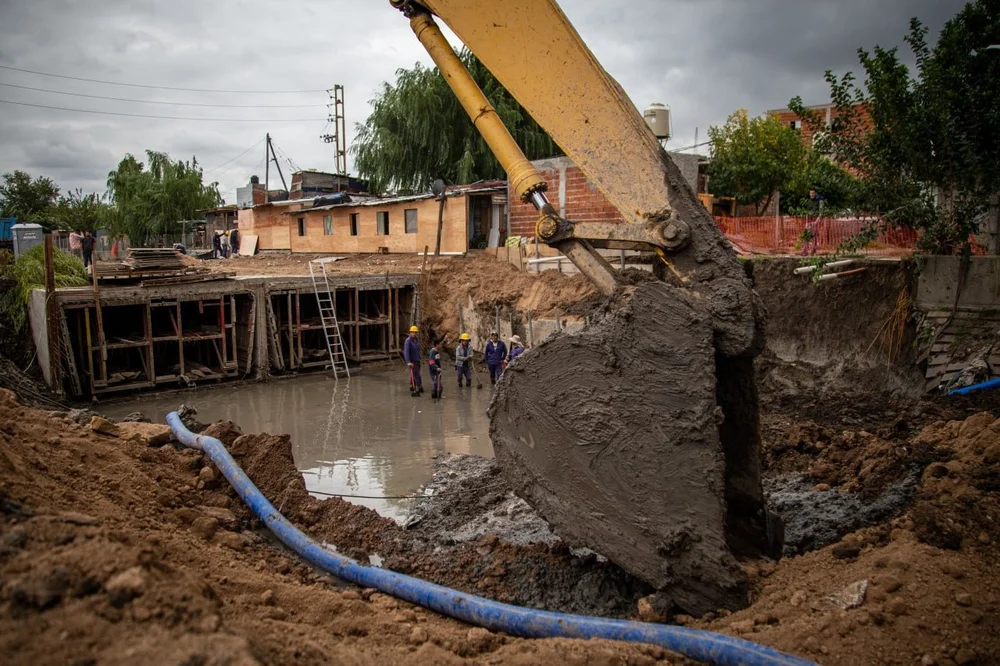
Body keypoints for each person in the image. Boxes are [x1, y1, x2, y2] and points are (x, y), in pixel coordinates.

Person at [801, 188, 824, 256]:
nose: (812, 194)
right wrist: (806, 221)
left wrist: (817, 221)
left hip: (815, 220)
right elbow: (807, 212)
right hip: (809, 220)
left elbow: (821, 212)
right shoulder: (809, 201)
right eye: (810, 193)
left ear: (815, 193)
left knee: (814, 236)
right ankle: (805, 251)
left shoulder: (820, 201)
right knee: (806, 236)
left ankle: (813, 251)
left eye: (813, 193)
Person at [404, 325, 423, 393]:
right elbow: (406, 352)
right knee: (417, 374)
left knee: (415, 373)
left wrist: (419, 357)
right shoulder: (408, 341)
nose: (414, 334)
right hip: (412, 361)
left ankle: (412, 386)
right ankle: (419, 386)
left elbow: (418, 349)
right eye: (413, 332)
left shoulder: (416, 340)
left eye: (415, 332)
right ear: (410, 332)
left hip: (417, 359)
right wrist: (408, 362)